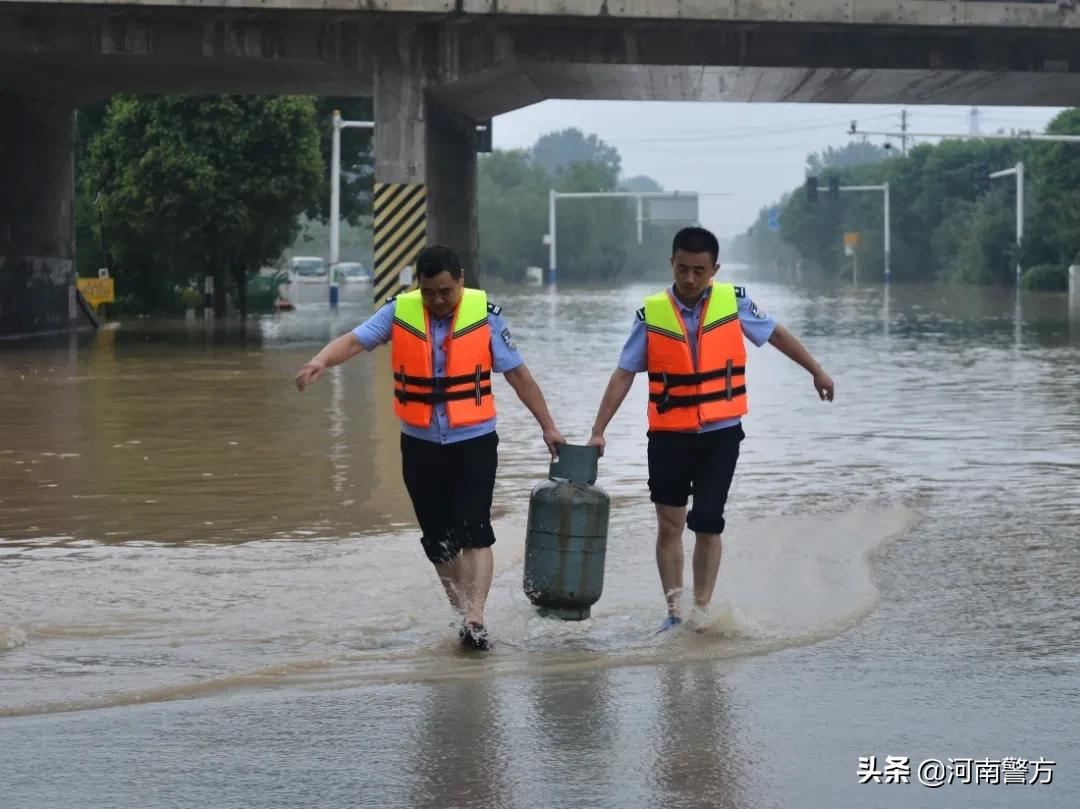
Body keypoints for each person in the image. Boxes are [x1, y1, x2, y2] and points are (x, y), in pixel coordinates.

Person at [295, 246, 565, 651]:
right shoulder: (399, 312)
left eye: (445, 291)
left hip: (473, 441)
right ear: (418, 286)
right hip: (420, 445)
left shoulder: (486, 316)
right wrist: (320, 361)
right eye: (429, 293)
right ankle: (462, 615)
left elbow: (519, 376)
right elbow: (354, 341)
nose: (437, 301)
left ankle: (475, 616)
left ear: (460, 280)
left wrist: (548, 426)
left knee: (475, 529)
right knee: (438, 540)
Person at [587, 227, 835, 632]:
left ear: (714, 269)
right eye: (682, 268)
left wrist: (816, 370)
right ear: (671, 263)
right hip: (668, 435)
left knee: (707, 520)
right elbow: (623, 374)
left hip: (720, 434)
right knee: (669, 523)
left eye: (698, 271)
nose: (689, 279)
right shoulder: (651, 314)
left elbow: (775, 334)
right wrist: (599, 429)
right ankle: (673, 612)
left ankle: (701, 612)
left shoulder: (733, 302)